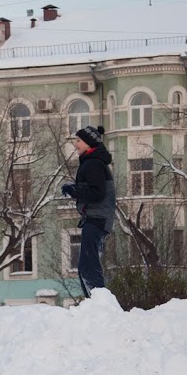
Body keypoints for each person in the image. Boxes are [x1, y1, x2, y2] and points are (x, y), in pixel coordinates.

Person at [61, 125, 117, 298]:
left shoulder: (93, 163)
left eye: (78, 140)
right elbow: (94, 188)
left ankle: (99, 302)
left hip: (97, 218)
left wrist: (74, 191)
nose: (75, 144)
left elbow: (97, 192)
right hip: (96, 218)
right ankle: (95, 303)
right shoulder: (92, 162)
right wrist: (75, 188)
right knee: (86, 264)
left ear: (88, 143)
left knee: (88, 265)